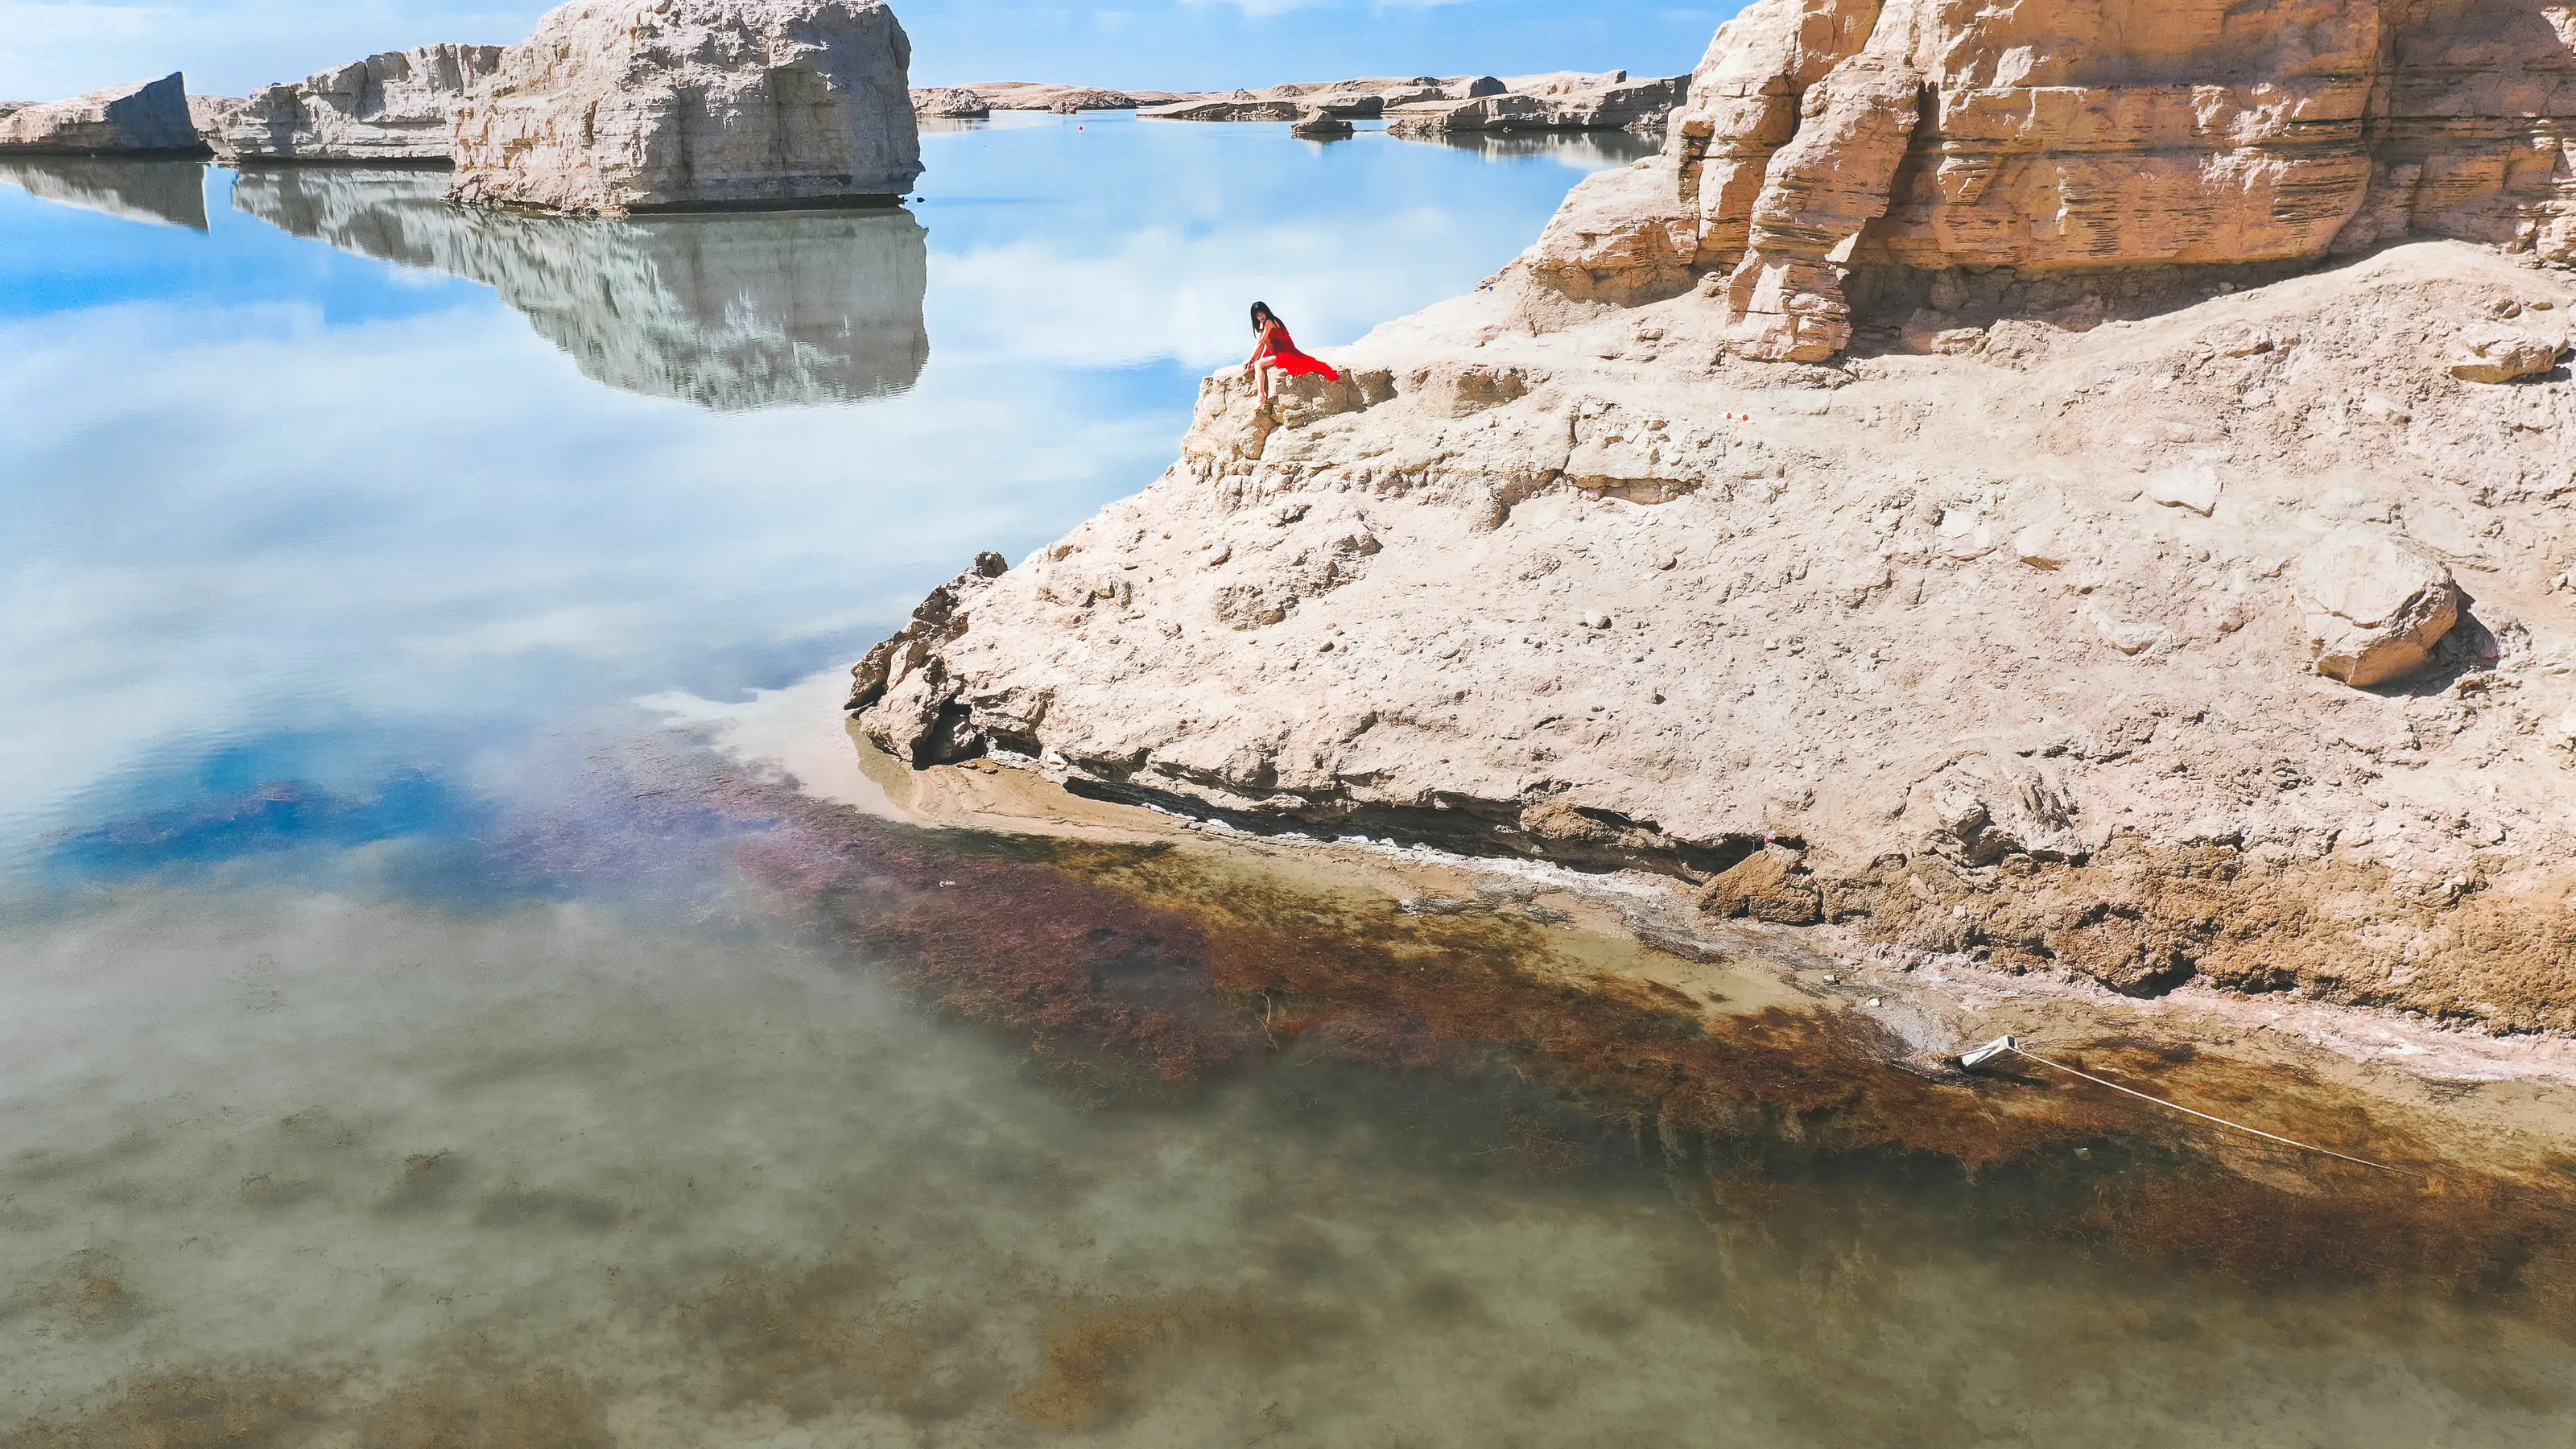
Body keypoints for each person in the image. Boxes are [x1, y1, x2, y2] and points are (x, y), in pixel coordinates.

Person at [1243, 301, 1340, 400]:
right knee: (1257, 360)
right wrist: (1252, 360)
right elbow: (1260, 343)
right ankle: (1254, 366)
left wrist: (1251, 360)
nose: (1261, 317)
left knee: (1258, 364)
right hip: (1276, 351)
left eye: (1262, 313)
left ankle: (1261, 395)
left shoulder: (1270, 322)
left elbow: (1261, 343)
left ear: (1266, 312)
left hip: (1285, 353)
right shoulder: (1262, 325)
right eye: (1258, 315)